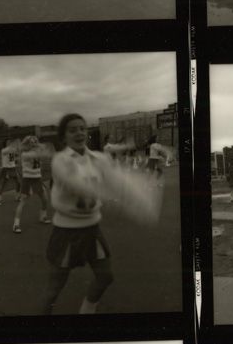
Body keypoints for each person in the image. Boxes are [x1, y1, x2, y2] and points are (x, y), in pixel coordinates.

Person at [39, 113, 160, 315]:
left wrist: (141, 201)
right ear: (63, 137)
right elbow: (74, 185)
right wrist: (113, 198)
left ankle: (87, 310)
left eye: (82, 128)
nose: (79, 132)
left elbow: (120, 182)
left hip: (92, 229)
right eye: (72, 129)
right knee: (54, 288)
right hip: (66, 231)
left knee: (105, 277)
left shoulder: (98, 158)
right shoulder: (60, 160)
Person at [13, 135, 51, 233]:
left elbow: (42, 156)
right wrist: (43, 149)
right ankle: (16, 224)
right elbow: (43, 154)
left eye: (35, 141)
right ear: (27, 143)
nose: (34, 143)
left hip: (37, 179)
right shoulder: (26, 154)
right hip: (28, 180)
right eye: (31, 141)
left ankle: (43, 216)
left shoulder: (36, 152)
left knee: (45, 199)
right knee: (23, 202)